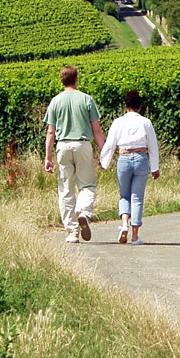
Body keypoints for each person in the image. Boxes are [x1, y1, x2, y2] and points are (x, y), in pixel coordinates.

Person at [44, 65, 106, 243]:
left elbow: (50, 132)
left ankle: (72, 232)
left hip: (62, 146)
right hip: (82, 144)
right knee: (87, 185)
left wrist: (48, 157)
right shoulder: (87, 100)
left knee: (65, 189)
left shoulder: (55, 101)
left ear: (61, 80)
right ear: (77, 79)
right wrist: (104, 152)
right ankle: (84, 212)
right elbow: (97, 130)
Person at [99, 90, 160, 245]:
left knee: (124, 194)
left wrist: (103, 162)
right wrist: (155, 168)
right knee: (137, 197)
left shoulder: (118, 122)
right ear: (140, 107)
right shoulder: (146, 122)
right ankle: (134, 235)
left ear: (126, 106)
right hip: (140, 158)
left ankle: (124, 223)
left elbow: (110, 143)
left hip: (124, 158)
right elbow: (153, 146)